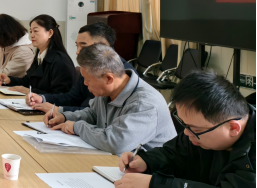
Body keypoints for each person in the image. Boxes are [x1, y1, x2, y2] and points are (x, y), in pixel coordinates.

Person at [115, 70, 255, 188]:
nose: (187, 133)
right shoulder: (200, 132)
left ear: (233, 128)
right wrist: (146, 162)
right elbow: (172, 154)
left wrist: (155, 186)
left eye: (195, 129)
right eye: (184, 124)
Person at [46, 44, 176, 155]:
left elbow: (116, 142)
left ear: (109, 78)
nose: (85, 83)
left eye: (88, 79)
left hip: (149, 172)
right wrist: (65, 117)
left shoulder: (145, 103)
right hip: (117, 162)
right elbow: (93, 114)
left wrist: (76, 127)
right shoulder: (107, 91)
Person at [28, 22, 134, 113]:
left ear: (103, 46)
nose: (78, 52)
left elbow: (96, 114)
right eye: (77, 46)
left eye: (83, 46)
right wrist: (43, 98)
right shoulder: (88, 67)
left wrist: (59, 110)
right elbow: (72, 97)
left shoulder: (121, 73)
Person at [0, 15, 75, 96]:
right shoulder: (40, 55)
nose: (32, 35)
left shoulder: (60, 61)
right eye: (31, 31)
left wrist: (30, 91)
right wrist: (9, 80)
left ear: (50, 33)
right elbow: (28, 81)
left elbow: (60, 95)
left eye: (35, 31)